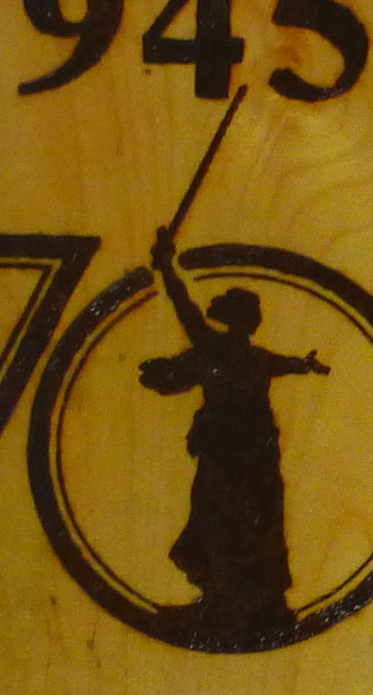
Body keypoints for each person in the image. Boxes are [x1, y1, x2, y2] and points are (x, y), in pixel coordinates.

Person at [139, 227, 329, 648]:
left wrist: (167, 266)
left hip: (236, 455)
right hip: (249, 455)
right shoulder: (242, 354)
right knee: (238, 524)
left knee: (228, 523)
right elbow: (285, 363)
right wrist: (305, 365)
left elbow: (184, 308)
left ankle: (237, 606)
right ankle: (236, 603)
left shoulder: (220, 349)